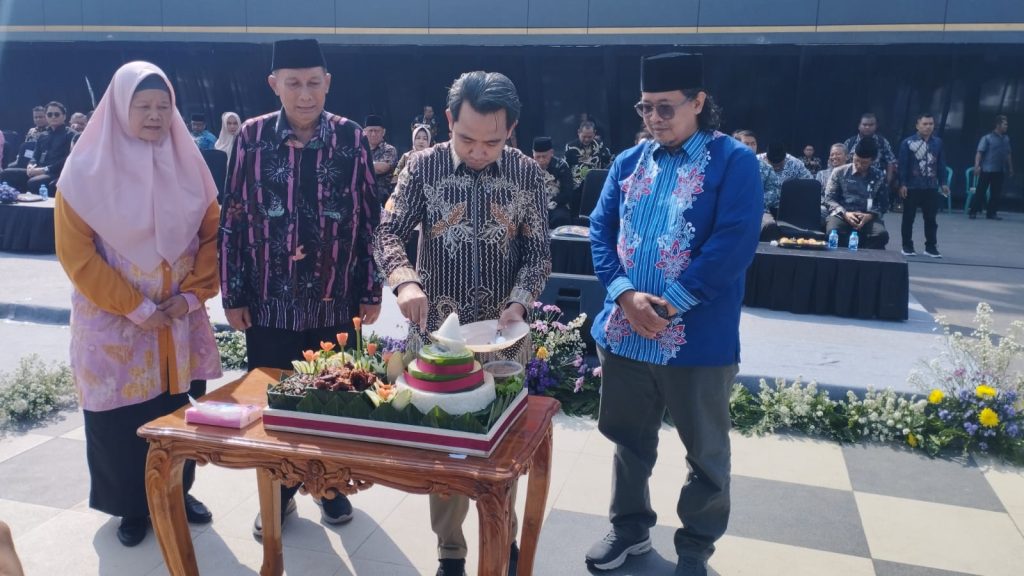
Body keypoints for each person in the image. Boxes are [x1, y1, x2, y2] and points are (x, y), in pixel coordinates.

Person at [587, 52, 762, 576]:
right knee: (628, 441)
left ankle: (695, 550)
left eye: (666, 107)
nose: (655, 118)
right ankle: (629, 530)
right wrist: (624, 296)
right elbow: (599, 231)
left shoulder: (733, 161)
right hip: (625, 335)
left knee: (706, 454)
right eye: (646, 108)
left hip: (696, 341)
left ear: (699, 102)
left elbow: (734, 242)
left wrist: (666, 305)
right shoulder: (627, 162)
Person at [374, 70, 551, 576]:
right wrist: (406, 281)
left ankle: (505, 533)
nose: (478, 151)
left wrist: (519, 303)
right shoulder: (421, 168)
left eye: (491, 141)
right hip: (436, 339)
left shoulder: (526, 175)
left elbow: (538, 255)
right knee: (445, 449)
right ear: (449, 120)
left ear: (511, 130)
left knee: (504, 448)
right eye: (467, 138)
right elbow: (387, 231)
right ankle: (450, 548)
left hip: (503, 340)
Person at [53, 61, 222, 548]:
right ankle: (130, 505)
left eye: (163, 107)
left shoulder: (191, 165)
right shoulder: (83, 172)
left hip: (178, 322)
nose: (154, 116)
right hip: (114, 326)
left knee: (176, 411)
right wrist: (136, 307)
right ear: (118, 109)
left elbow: (211, 237)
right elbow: (77, 254)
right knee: (120, 420)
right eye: (142, 106)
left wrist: (191, 295)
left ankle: (178, 491)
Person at [218, 38, 382, 539]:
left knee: (334, 401)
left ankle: (330, 489)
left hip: (335, 299)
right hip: (268, 301)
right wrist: (233, 293)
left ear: (328, 83)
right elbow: (235, 216)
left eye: (314, 82)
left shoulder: (351, 139)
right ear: (275, 85)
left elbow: (371, 220)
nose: (305, 93)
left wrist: (371, 289)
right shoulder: (250, 137)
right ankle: (280, 494)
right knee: (275, 404)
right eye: (294, 83)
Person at [823, 138, 890, 248]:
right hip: (842, 214)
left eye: (864, 163)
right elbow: (829, 198)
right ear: (853, 155)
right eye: (856, 160)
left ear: (872, 161)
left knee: (881, 235)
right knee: (833, 232)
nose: (858, 165)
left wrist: (869, 215)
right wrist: (844, 213)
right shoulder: (839, 172)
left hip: (868, 216)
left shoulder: (879, 176)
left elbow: (884, 203)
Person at [898, 113, 948, 258]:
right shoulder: (907, 143)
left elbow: (941, 164)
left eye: (931, 124)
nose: (928, 127)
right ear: (917, 125)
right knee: (909, 217)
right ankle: (907, 246)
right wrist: (902, 184)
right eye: (925, 124)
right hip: (912, 187)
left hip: (931, 186)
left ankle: (931, 247)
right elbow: (903, 165)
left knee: (931, 219)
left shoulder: (938, 143)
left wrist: (943, 182)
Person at [0, 101, 73, 194]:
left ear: (64, 116)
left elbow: (68, 159)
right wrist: (30, 166)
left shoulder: (71, 134)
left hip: (56, 172)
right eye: (50, 114)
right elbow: (35, 155)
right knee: (6, 174)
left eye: (56, 114)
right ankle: (16, 203)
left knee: (34, 182)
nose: (53, 117)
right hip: (37, 170)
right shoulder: (43, 136)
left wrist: (45, 169)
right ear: (46, 116)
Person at [733, 130, 782, 241]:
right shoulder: (728, 166)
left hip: (759, 210)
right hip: (732, 209)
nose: (751, 147)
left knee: (769, 226)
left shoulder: (766, 168)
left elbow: (774, 191)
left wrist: (755, 200)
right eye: (747, 144)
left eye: (753, 143)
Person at [844, 113, 898, 207]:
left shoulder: (882, 142)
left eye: (871, 125)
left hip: (875, 182)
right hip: (853, 181)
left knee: (873, 209)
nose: (867, 127)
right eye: (865, 125)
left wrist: (887, 181)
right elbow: (843, 162)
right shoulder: (850, 142)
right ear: (859, 126)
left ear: (876, 126)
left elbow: (891, 161)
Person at [970, 114, 1013, 220]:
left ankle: (991, 213)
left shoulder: (1006, 139)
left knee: (996, 193)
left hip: (1000, 169)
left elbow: (1008, 153)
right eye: (1005, 124)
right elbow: (979, 152)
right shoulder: (987, 138)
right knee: (981, 191)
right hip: (987, 169)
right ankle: (973, 211)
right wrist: (977, 166)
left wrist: (1011, 168)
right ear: (998, 125)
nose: (1006, 126)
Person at [533, 136, 575, 227]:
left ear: (551, 153)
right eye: (537, 157)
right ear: (533, 154)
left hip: (557, 204)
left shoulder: (561, 166)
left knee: (561, 218)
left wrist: (554, 201)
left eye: (544, 156)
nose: (541, 160)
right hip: (535, 205)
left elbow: (567, 192)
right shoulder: (528, 166)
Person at [566, 120, 612, 194]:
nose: (587, 139)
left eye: (589, 137)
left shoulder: (600, 145)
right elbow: (566, 167)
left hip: (596, 185)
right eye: (584, 137)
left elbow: (608, 162)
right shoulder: (570, 147)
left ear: (594, 133)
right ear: (578, 133)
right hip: (576, 186)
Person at [365, 114, 398, 203]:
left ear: (383, 132)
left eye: (377, 131)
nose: (373, 134)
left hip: (383, 198)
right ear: (364, 132)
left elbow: (382, 168)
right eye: (370, 131)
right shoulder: (360, 149)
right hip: (363, 196)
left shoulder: (389, 149)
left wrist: (360, 163)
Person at [392, 123, 433, 188]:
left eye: (425, 139)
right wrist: (396, 179)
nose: (421, 141)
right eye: (418, 138)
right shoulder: (406, 156)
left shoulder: (433, 157)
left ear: (429, 141)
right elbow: (397, 170)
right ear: (413, 139)